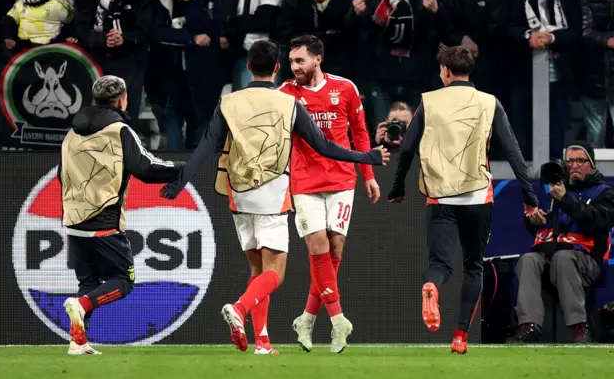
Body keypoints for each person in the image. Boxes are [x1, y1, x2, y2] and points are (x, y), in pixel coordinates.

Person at [159, 39, 389, 354]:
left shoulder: (229, 101)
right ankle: (240, 309)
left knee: (257, 272)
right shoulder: (288, 101)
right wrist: (368, 159)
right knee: (273, 273)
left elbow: (205, 148)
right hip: (274, 193)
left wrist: (180, 180)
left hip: (238, 196)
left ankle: (263, 342)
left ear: (248, 67)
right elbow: (323, 146)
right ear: (278, 68)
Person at [387, 46, 538, 354]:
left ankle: (432, 285)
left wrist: (398, 187)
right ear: (471, 71)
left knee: (440, 263)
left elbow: (407, 148)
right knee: (473, 267)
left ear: (445, 71)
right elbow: (512, 152)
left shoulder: (429, 102)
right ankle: (460, 337)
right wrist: (529, 196)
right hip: (477, 197)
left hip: (440, 196)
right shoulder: (489, 102)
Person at [60, 75, 184, 355]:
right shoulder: (120, 130)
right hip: (104, 221)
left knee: (88, 282)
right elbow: (145, 167)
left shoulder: (72, 132)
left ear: (94, 99)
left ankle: (77, 342)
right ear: (123, 99)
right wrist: (180, 168)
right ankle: (81, 305)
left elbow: (60, 175)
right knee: (123, 282)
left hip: (74, 221)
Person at [278, 34, 380, 353]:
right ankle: (338, 321)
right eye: (291, 61)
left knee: (334, 252)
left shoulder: (345, 88)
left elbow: (360, 132)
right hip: (305, 181)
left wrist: (369, 176)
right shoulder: (285, 93)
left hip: (342, 180)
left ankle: (306, 319)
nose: (294, 67)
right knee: (318, 245)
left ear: (317, 59)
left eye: (300, 61)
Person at [508, 141, 614, 344]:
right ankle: (529, 325)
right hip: (553, 256)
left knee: (563, 258)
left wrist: (565, 199)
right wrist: (534, 220)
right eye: (570, 161)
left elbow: (596, 221)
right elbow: (549, 228)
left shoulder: (605, 193)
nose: (574, 165)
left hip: (588, 261)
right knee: (529, 260)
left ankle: (579, 327)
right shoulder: (557, 191)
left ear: (591, 164)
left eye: (580, 161)